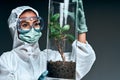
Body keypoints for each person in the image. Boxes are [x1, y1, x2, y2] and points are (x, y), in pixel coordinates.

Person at [0, 0, 96, 80]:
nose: (32, 29)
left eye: (36, 23)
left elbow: (79, 65)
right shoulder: (7, 60)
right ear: (15, 29)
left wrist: (81, 31)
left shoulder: (50, 57)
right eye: (25, 25)